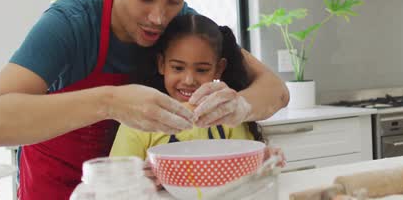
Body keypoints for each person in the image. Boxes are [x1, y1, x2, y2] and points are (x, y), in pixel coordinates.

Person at [0, 0, 289, 200]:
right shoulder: (70, 24)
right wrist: (110, 102)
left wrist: (241, 107)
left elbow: (275, 91)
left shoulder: (181, 24)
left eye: (173, 0)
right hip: (56, 192)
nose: (159, 18)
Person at [110, 14, 285, 189]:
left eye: (201, 70)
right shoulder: (138, 120)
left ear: (218, 69)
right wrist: (139, 179)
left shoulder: (229, 118)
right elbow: (114, 181)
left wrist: (263, 162)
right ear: (161, 64)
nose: (188, 80)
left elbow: (245, 175)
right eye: (178, 68)